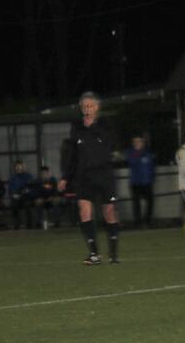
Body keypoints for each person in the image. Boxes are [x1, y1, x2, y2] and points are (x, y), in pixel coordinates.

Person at [58, 91, 120, 265]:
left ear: (97, 107)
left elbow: (110, 142)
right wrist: (65, 177)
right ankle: (94, 254)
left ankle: (113, 253)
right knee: (84, 210)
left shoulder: (105, 124)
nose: (87, 109)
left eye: (90, 105)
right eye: (84, 106)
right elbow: (72, 154)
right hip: (84, 176)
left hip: (104, 174)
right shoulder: (76, 127)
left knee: (109, 211)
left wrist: (92, 126)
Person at [125, 135, 155, 227]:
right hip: (135, 182)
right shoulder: (130, 153)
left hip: (147, 182)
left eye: (139, 141)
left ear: (143, 143)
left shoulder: (148, 153)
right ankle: (137, 222)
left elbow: (151, 167)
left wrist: (152, 178)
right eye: (135, 141)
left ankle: (148, 221)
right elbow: (132, 162)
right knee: (136, 203)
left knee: (150, 202)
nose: (137, 143)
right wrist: (139, 153)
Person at [7, 160, 34, 230]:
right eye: (17, 167)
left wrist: (25, 192)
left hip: (26, 197)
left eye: (20, 166)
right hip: (16, 198)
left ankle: (29, 225)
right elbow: (10, 190)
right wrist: (13, 195)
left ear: (23, 167)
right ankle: (17, 225)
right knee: (13, 205)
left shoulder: (28, 176)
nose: (19, 168)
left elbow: (32, 188)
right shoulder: (13, 178)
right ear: (15, 168)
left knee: (28, 204)